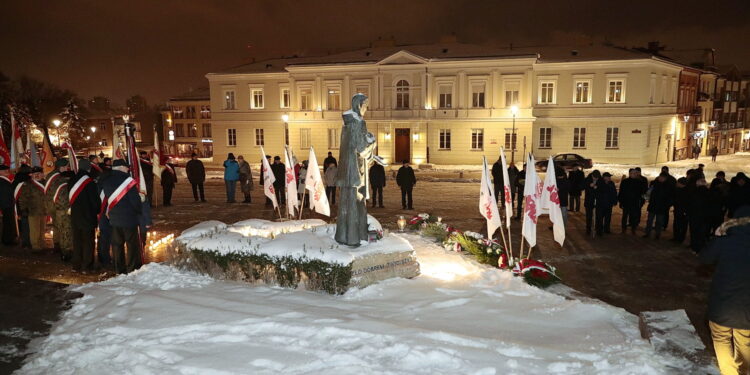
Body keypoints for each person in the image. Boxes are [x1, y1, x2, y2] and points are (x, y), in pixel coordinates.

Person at [699, 205, 750, 375]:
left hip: (723, 301)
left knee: (721, 338)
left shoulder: (725, 241)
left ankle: (729, 372)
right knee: (745, 340)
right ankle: (744, 371)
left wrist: (717, 237)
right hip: (747, 305)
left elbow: (705, 258)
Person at [101, 159, 143, 274]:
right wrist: (139, 210)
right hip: (129, 218)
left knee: (117, 245)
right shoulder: (127, 181)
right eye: (126, 167)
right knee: (131, 245)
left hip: (114, 219)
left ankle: (119, 269)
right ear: (120, 167)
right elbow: (135, 201)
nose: (127, 169)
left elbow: (105, 199)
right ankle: (132, 268)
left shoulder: (107, 180)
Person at [68, 159, 101, 273]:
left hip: (75, 215)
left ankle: (76, 265)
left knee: (77, 240)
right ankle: (87, 266)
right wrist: (97, 210)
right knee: (88, 241)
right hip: (87, 215)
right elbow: (94, 201)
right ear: (89, 168)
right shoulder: (89, 181)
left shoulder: (72, 180)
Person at [45, 158, 73, 256]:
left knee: (56, 226)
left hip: (50, 204)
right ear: (61, 167)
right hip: (59, 205)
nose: (67, 168)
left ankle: (57, 245)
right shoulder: (60, 178)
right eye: (66, 167)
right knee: (64, 227)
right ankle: (64, 248)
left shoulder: (50, 175)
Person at [18, 167, 46, 253]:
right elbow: (22, 198)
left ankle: (41, 245)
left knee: (42, 230)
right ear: (31, 175)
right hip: (33, 210)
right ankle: (36, 247)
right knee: (34, 230)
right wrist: (23, 209)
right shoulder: (28, 184)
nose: (37, 175)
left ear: (42, 174)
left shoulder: (46, 183)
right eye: (35, 174)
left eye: (39, 173)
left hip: (43, 210)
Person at [643, 173, 674, 239]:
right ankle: (647, 233)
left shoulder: (669, 186)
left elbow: (671, 197)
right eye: (660, 177)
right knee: (649, 220)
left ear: (666, 178)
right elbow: (648, 193)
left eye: (663, 178)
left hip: (662, 207)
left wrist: (667, 205)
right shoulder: (654, 184)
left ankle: (657, 234)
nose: (661, 178)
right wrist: (648, 199)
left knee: (659, 221)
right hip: (653, 205)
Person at [618, 168, 647, 234]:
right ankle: (623, 229)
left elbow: (642, 193)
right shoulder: (625, 182)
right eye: (632, 173)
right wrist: (621, 202)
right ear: (629, 174)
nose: (634, 174)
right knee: (625, 216)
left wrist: (642, 201)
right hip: (626, 203)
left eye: (635, 173)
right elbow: (621, 192)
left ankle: (633, 229)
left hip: (635, 203)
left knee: (634, 216)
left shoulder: (640, 182)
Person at [688, 177, 711, 253]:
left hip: (695, 216)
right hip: (705, 217)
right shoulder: (709, 192)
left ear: (697, 184)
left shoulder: (694, 192)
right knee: (702, 233)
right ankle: (701, 248)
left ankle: (694, 248)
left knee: (694, 233)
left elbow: (690, 205)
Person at [12, 165, 31, 249]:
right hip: (27, 205)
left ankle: (24, 241)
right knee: (28, 225)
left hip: (18, 206)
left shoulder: (15, 180)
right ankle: (27, 242)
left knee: (23, 224)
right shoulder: (27, 181)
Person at [0, 165, 17, 246]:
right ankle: (7, 240)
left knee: (9, 223)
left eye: (7, 170)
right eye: (4, 170)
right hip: (6, 205)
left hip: (8, 204)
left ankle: (8, 239)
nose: (7, 171)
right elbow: (3, 195)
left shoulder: (5, 180)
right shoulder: (2, 181)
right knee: (8, 223)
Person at [672, 177, 689, 244]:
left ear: (681, 183)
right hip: (677, 210)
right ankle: (676, 237)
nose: (676, 183)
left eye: (678, 182)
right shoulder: (678, 189)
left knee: (683, 226)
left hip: (683, 212)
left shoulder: (687, 192)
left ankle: (680, 239)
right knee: (676, 224)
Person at [583, 170, 601, 235]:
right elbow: (582, 186)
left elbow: (602, 188)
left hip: (598, 201)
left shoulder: (600, 180)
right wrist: (589, 186)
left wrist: (597, 187)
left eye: (597, 178)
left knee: (598, 216)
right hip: (589, 201)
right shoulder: (587, 179)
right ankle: (588, 229)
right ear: (592, 175)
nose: (596, 179)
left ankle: (597, 229)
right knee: (589, 216)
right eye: (594, 177)